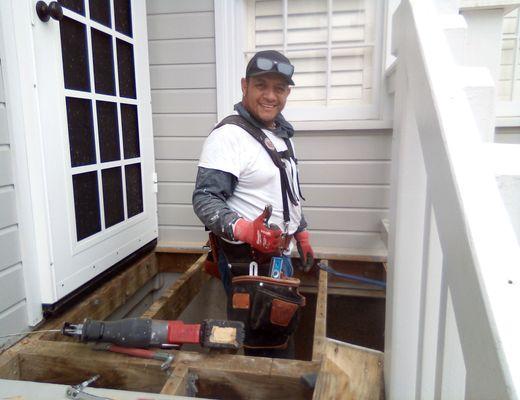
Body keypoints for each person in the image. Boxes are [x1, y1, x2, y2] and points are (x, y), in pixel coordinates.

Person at [192, 50, 314, 358]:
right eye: (262, 85)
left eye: (280, 88)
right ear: (245, 86)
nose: (270, 96)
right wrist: (243, 228)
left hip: (278, 256)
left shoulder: (280, 133)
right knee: (266, 346)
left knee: (280, 330)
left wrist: (300, 233)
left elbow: (284, 191)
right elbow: (204, 199)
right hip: (248, 261)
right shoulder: (229, 136)